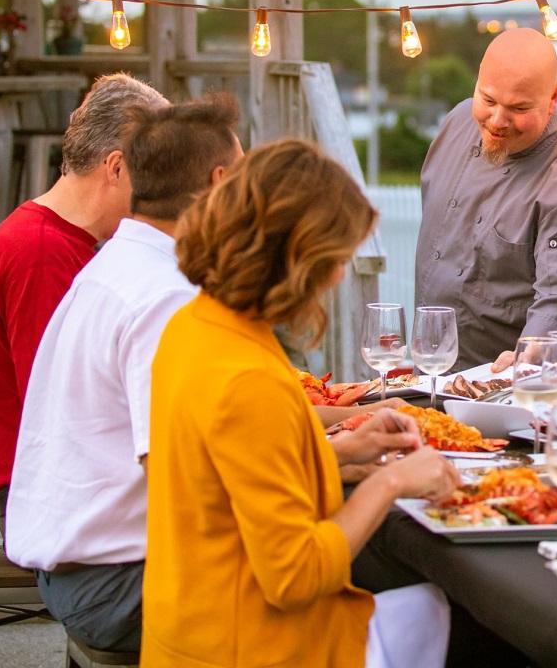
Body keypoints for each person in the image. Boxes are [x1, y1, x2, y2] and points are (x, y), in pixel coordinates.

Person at [144, 139, 460, 668]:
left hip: (185, 632)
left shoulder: (192, 327)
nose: (338, 276)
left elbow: (226, 471)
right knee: (473, 624)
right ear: (296, 258)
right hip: (254, 646)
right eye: (334, 258)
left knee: (429, 606)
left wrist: (339, 449)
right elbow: (294, 577)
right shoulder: (248, 378)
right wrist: (391, 482)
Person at [3, 95, 242, 651]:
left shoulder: (120, 262)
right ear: (219, 182)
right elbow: (181, 472)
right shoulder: (160, 296)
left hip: (86, 566)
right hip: (118, 582)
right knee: (356, 566)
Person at [0, 72, 167, 532]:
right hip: (48, 497)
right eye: (155, 177)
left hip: (65, 483)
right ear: (116, 168)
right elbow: (65, 409)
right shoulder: (42, 252)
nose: (163, 196)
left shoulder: (53, 238)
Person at [415, 27, 557, 368]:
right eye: (488, 99)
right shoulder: (455, 124)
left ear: (554, 98)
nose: (497, 120)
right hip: (442, 375)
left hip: (532, 390)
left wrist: (530, 355)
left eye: (519, 108)